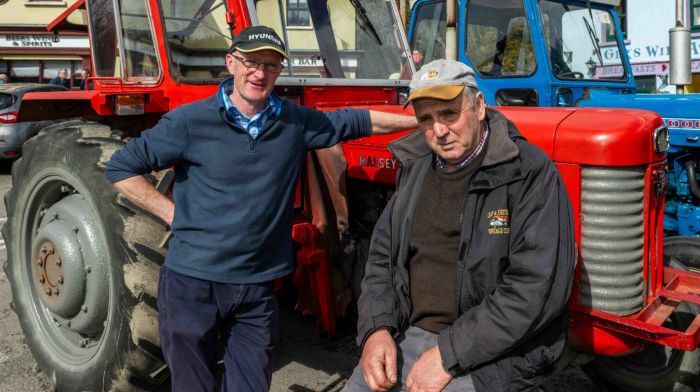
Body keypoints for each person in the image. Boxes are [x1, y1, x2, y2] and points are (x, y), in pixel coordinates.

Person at [105, 25, 417, 392]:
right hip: (193, 284)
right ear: (231, 63)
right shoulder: (190, 121)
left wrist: (423, 121)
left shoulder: (294, 121)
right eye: (252, 62)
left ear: (279, 71)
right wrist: (173, 214)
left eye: (271, 65)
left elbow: (360, 120)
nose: (260, 73)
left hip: (256, 289)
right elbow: (121, 167)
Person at [344, 59, 576, 392]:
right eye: (426, 118)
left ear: (479, 106)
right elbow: (382, 259)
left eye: (450, 114)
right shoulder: (415, 170)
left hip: (495, 353)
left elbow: (533, 288)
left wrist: (448, 354)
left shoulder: (530, 173)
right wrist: (376, 330)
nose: (439, 130)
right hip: (408, 335)